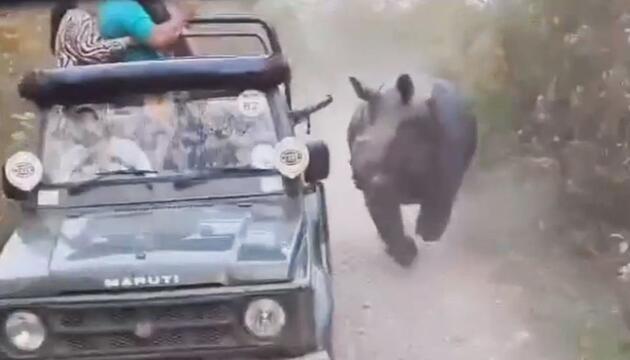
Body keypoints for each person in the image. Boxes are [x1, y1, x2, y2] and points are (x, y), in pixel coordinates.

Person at [99, 0, 193, 62]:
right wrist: (180, 16)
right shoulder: (124, 7)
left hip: (144, 79)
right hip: (137, 83)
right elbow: (160, 38)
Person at [50, 0, 136, 67]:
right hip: (79, 84)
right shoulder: (77, 17)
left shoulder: (75, 16)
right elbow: (88, 51)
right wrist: (128, 41)